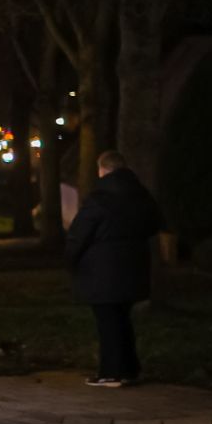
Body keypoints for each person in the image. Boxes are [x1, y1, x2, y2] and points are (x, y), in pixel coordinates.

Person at [65, 149, 163, 387]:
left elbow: (79, 234)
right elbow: (155, 223)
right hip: (133, 267)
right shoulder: (141, 195)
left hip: (103, 271)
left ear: (103, 169)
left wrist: (71, 259)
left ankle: (111, 372)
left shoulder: (100, 198)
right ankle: (129, 369)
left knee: (107, 321)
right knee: (122, 319)